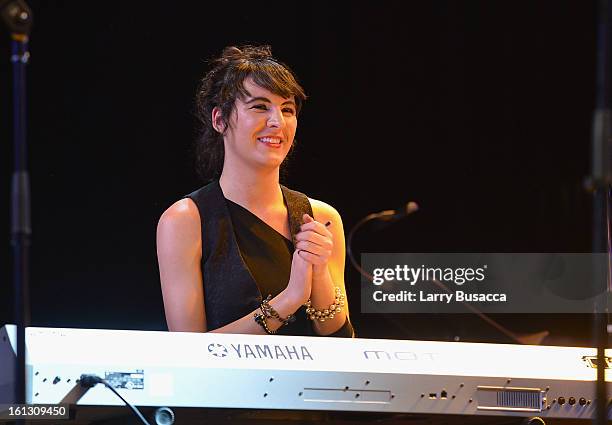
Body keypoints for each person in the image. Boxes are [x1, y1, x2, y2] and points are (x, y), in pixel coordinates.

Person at [156, 45, 353, 337]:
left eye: (287, 109)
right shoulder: (185, 220)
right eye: (260, 107)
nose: (277, 122)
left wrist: (320, 273)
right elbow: (189, 355)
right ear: (220, 120)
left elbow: (342, 343)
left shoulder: (322, 217)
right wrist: (290, 298)